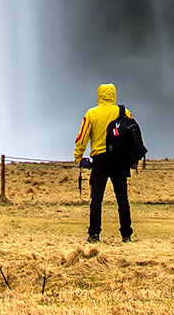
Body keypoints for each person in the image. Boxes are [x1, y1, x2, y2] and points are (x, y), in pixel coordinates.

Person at [73, 83, 133, 243]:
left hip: (100, 159)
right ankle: (126, 234)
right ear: (114, 94)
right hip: (119, 160)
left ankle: (94, 234)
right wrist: (134, 158)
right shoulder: (123, 112)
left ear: (99, 95)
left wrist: (78, 156)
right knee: (122, 198)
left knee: (96, 199)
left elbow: (82, 137)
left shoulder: (92, 113)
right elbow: (133, 134)